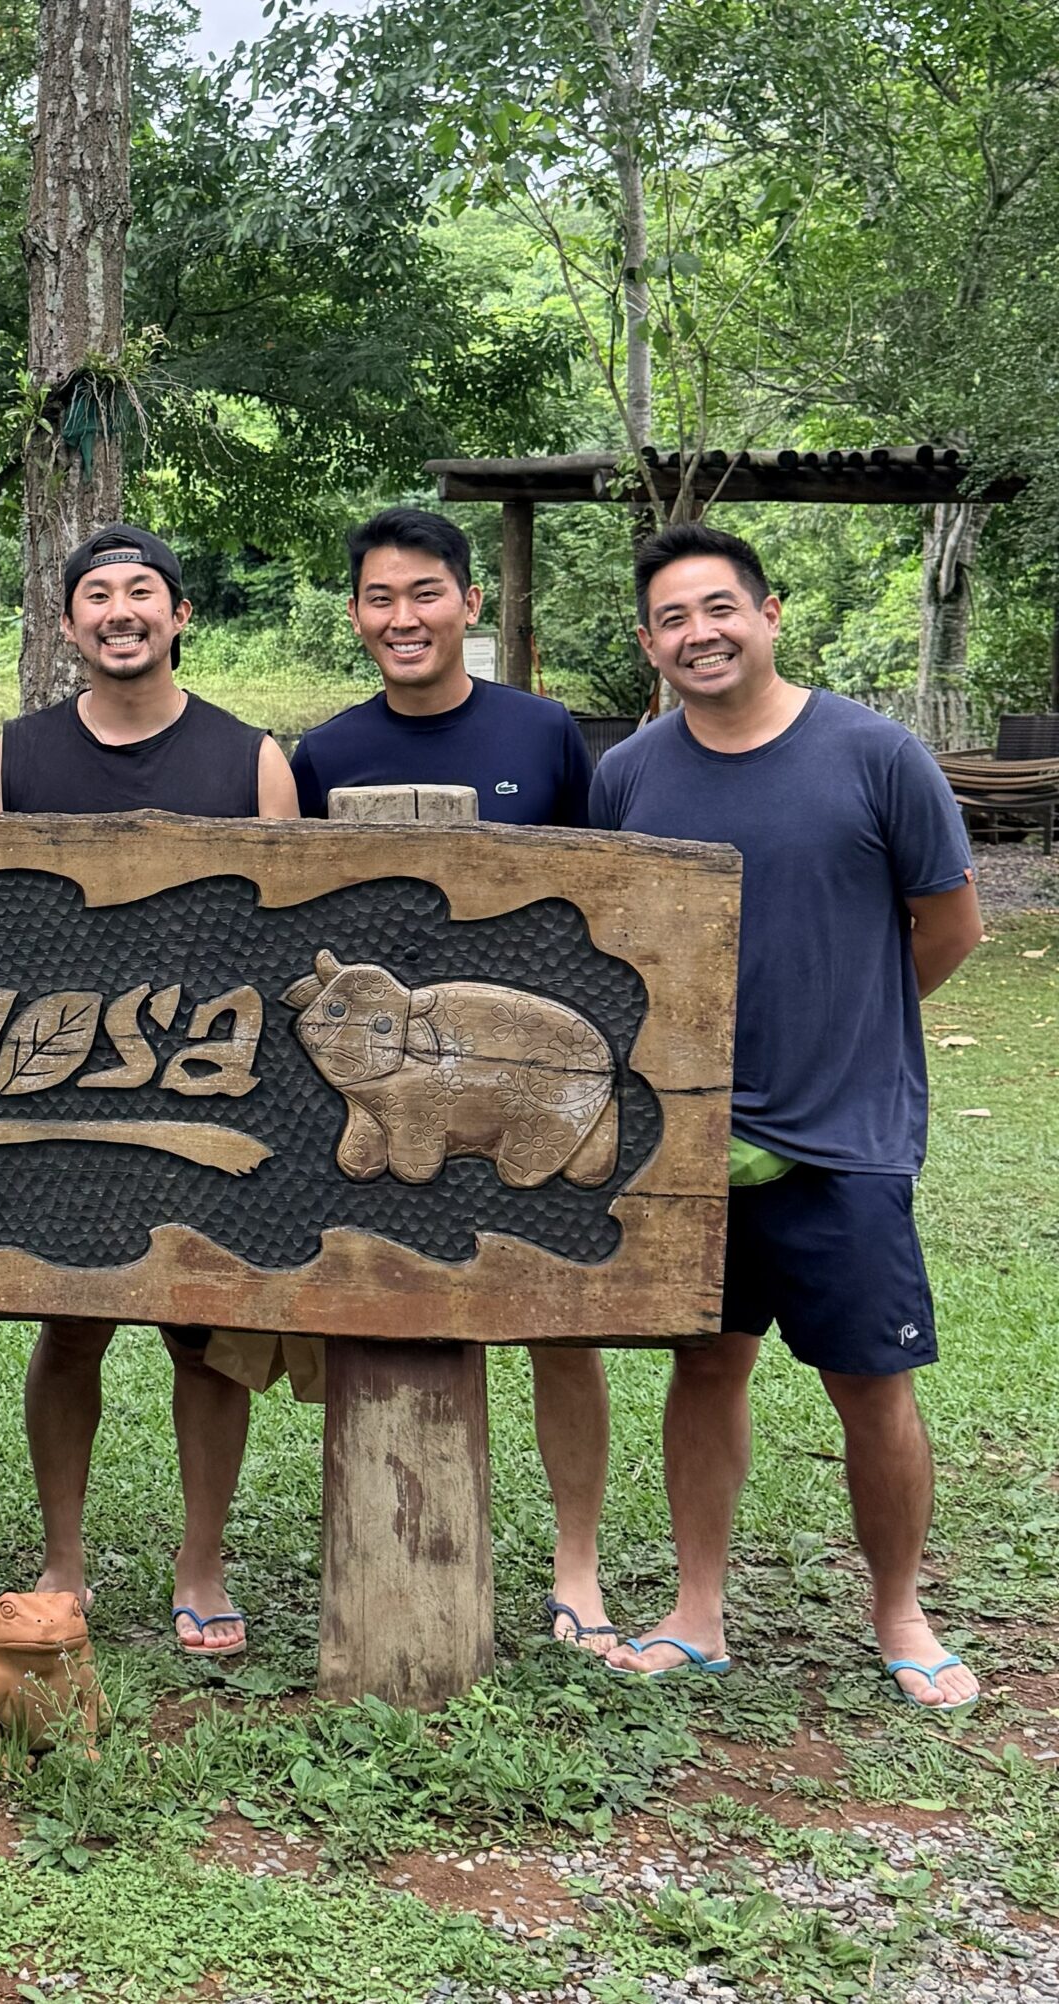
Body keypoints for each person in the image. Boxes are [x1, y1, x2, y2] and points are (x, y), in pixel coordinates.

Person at [589, 523, 982, 1710]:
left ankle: (901, 1613)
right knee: (704, 1363)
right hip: (687, 1136)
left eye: (717, 609)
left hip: (841, 1140)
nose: (696, 634)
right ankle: (696, 1610)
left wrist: (856, 1034)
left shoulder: (874, 754)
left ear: (766, 614)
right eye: (670, 619)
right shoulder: (630, 774)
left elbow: (950, 924)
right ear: (651, 644)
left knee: (871, 1380)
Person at [289, 506, 615, 1654]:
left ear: (469, 605)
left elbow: (595, 909)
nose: (402, 617)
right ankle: (386, 1551)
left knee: (560, 1322)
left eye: (424, 593)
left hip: (513, 1073)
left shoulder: (545, 736)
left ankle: (577, 1564)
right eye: (379, 598)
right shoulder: (320, 754)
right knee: (381, 1313)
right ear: (355, 617)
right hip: (393, 1078)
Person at [0, 522, 304, 1658]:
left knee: (205, 1336)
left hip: (215, 1094)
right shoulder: (18, 756)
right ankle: (60, 1559)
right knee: (69, 1333)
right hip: (70, 1092)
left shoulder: (253, 757)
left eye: (142, 593)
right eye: (96, 597)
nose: (120, 611)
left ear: (177, 617)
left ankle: (201, 1560)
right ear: (68, 625)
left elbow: (288, 936)